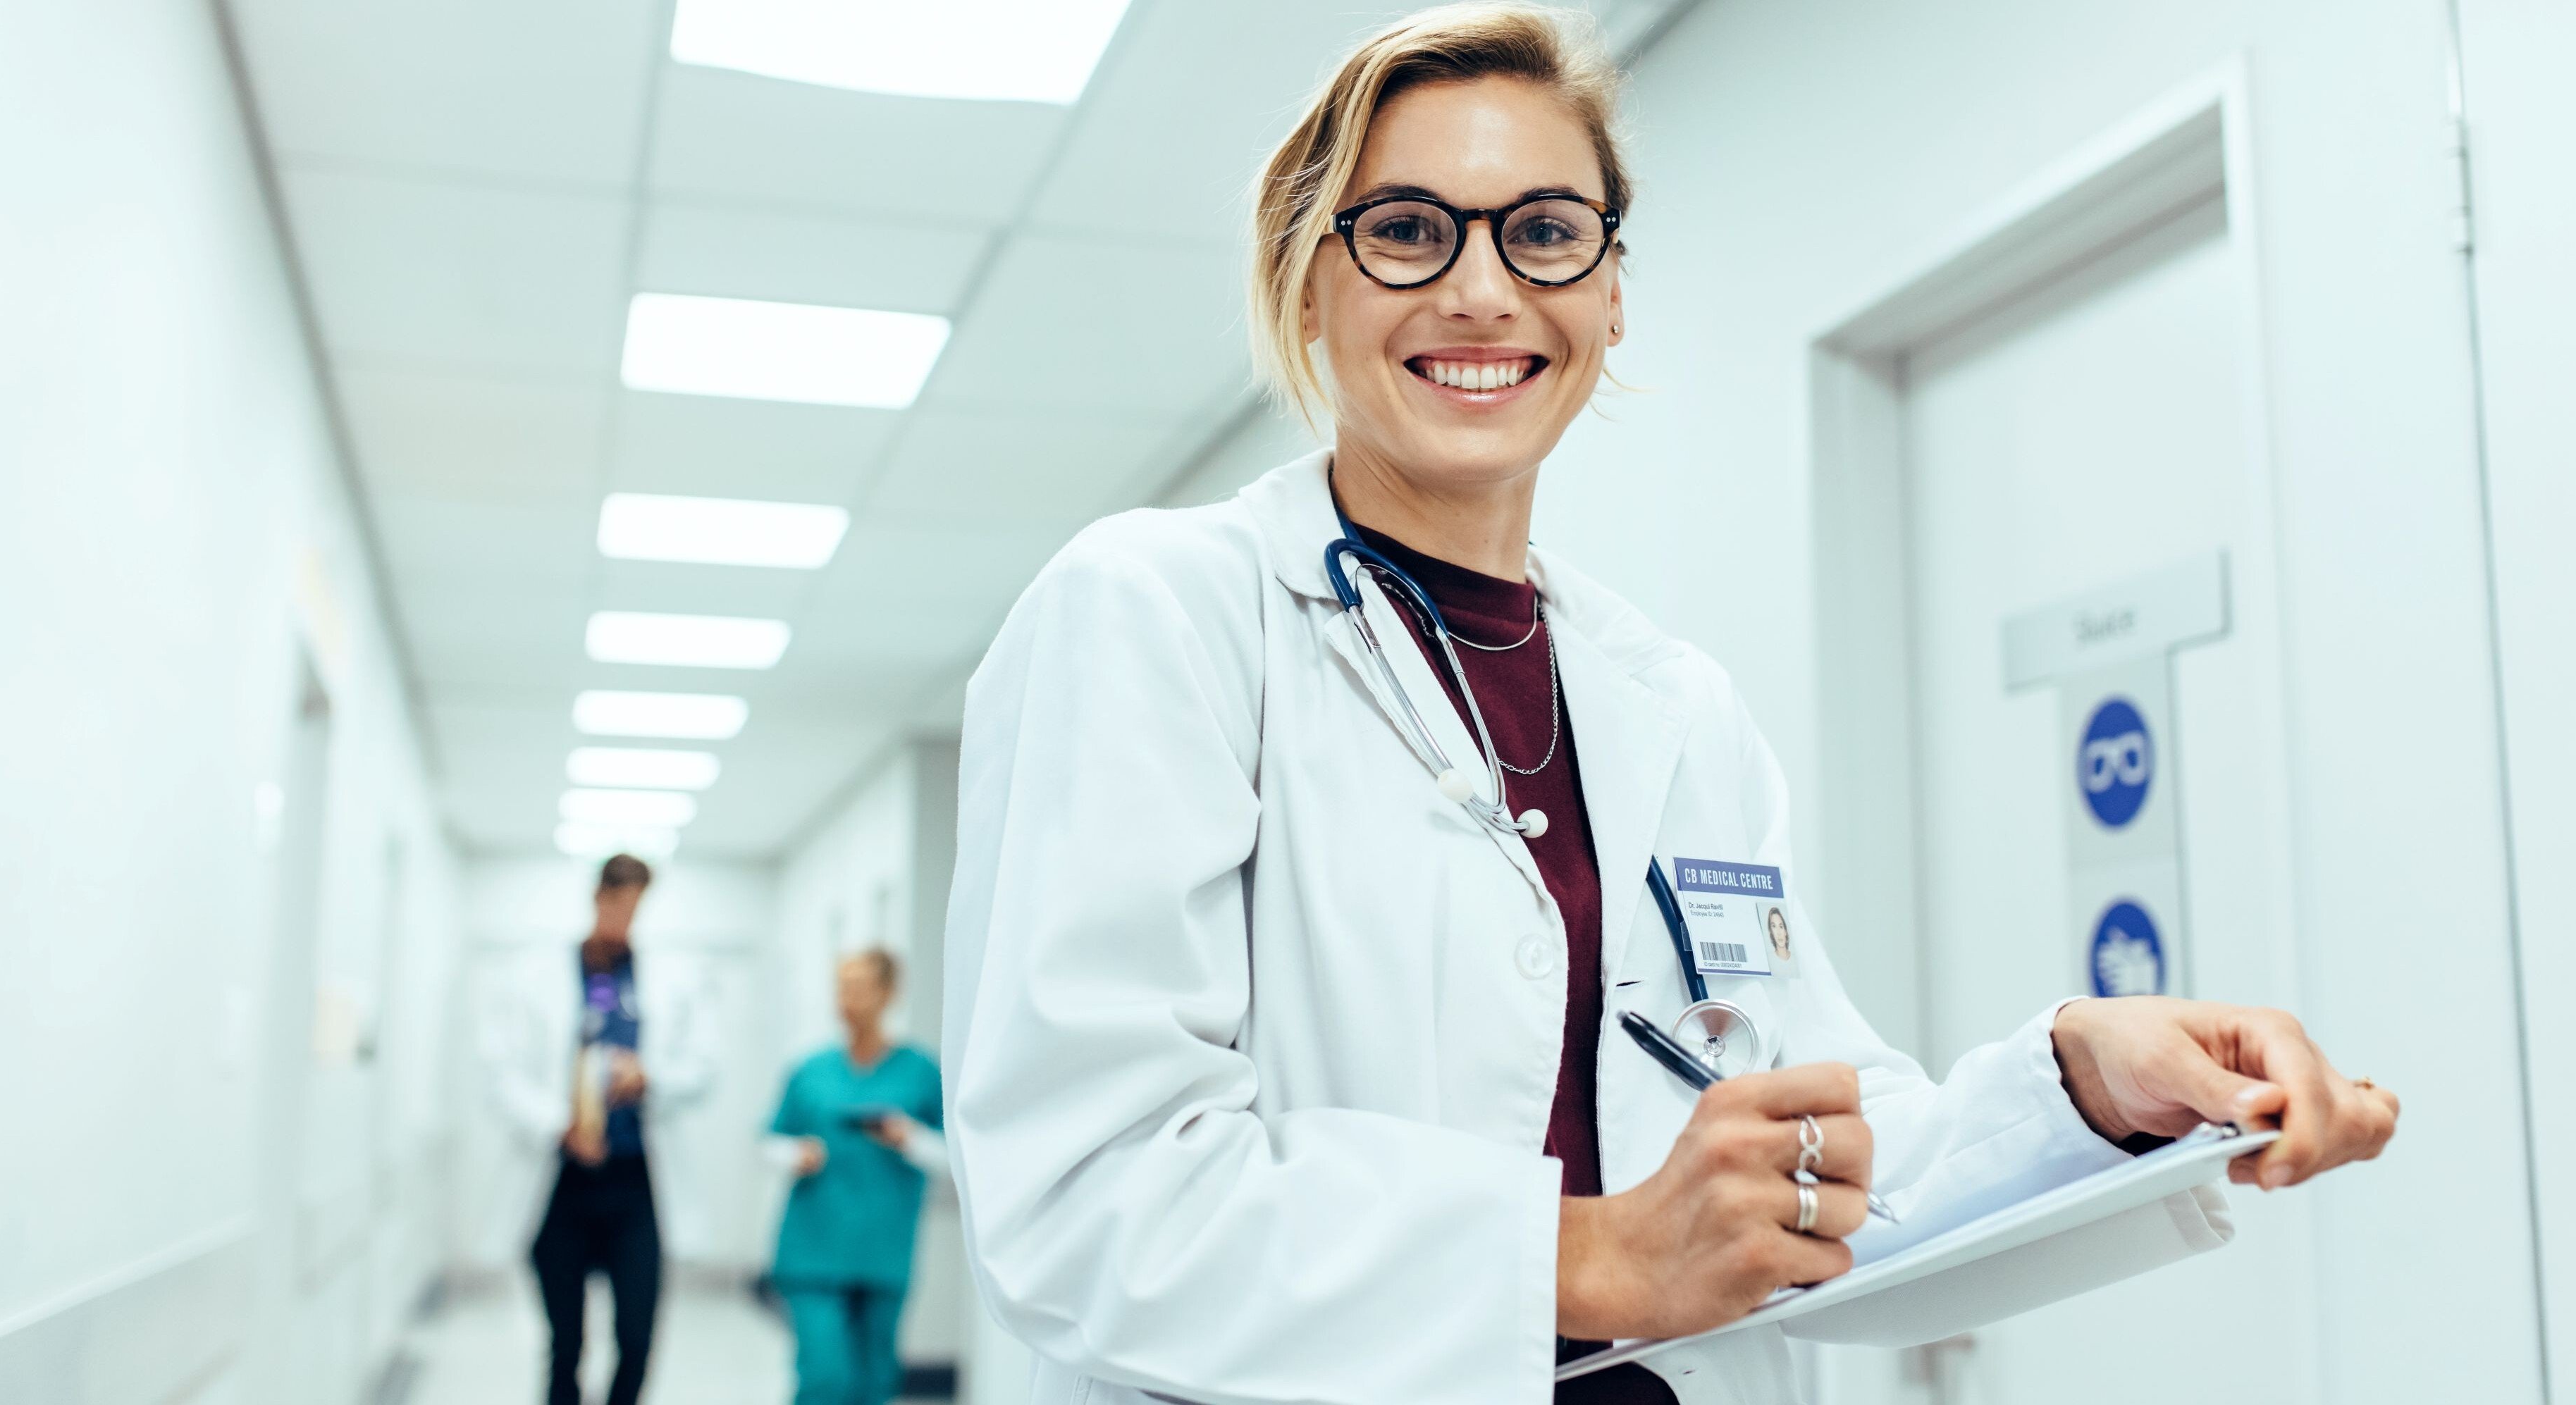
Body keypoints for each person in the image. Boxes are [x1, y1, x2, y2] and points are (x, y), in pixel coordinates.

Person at [940, 7, 2401, 1404]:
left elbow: (1806, 1173)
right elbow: (1086, 1196)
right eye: (1403, 230)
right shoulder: (1157, 614)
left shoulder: (1671, 704)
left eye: (1545, 231)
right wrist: (1589, 1253)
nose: (1480, 287)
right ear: (1306, 279)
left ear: (1609, 290)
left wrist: (2080, 1085)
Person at [481, 853, 713, 1405]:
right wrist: (561, 1124)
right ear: (597, 898)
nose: (624, 919)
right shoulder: (535, 975)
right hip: (561, 1184)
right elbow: (499, 1074)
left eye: (636, 908)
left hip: (636, 1184)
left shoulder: (670, 979)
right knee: (566, 1342)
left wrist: (650, 1077)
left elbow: (705, 1068)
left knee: (635, 1336)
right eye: (617, 904)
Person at [763, 950, 948, 1405]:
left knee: (874, 1382)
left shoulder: (920, 1073)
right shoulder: (810, 1069)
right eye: (842, 987)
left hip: (883, 1250)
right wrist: (795, 1154)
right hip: (812, 1248)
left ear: (888, 994)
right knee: (825, 1378)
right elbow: (768, 1139)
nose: (848, 999)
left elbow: (956, 1158)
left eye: (860, 987)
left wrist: (909, 1139)